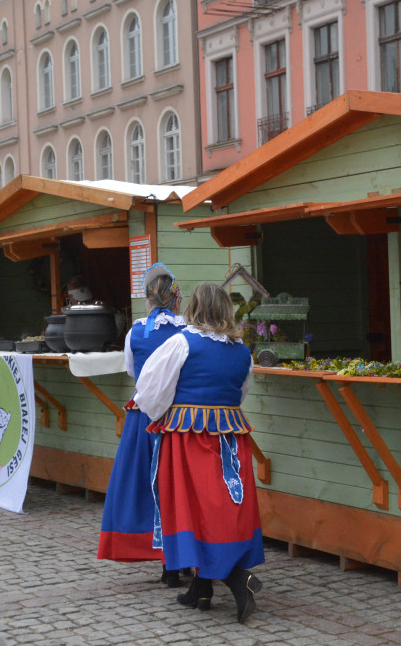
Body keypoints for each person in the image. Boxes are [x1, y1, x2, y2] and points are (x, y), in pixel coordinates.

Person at [135, 282, 265, 624]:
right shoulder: (242, 351)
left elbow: (149, 393)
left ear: (193, 308)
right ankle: (201, 589)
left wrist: (166, 415)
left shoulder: (181, 342)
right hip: (231, 439)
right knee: (218, 509)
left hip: (188, 438)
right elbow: (239, 394)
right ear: (226, 310)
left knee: (194, 510)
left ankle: (239, 580)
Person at [97, 263, 186, 585]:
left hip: (144, 415)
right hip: (178, 417)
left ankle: (167, 563)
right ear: (176, 298)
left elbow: (134, 372)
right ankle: (179, 558)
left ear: (148, 299)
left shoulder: (136, 331)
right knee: (176, 486)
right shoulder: (186, 331)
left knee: (148, 484)